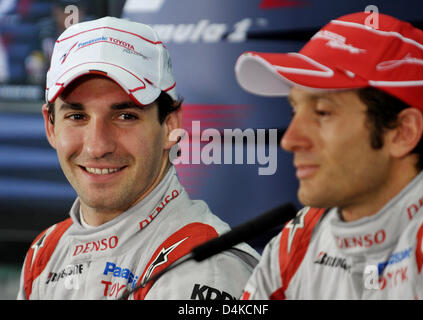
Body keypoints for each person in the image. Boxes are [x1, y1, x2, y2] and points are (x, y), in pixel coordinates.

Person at [17, 16, 259, 300]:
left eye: (125, 116)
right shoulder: (46, 252)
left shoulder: (205, 267)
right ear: (51, 126)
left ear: (170, 126)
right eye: (77, 116)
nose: (97, 146)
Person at [234, 11, 423, 299]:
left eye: (322, 112)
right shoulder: (301, 238)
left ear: (402, 133)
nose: (289, 140)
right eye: (295, 110)